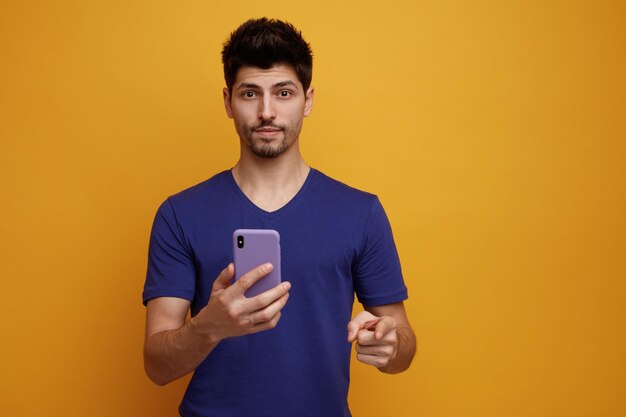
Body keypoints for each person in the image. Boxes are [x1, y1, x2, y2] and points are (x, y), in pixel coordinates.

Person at [142, 17, 416, 417]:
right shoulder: (179, 214)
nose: (266, 111)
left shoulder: (361, 212)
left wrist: (391, 345)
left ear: (307, 100)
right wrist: (209, 326)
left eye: (283, 93)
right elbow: (156, 366)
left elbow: (403, 343)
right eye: (250, 93)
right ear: (227, 101)